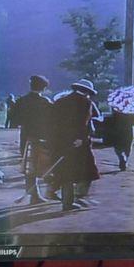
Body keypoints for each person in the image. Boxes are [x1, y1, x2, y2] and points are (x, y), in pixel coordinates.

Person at [45, 80, 101, 212]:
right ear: (87, 92)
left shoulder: (60, 101)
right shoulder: (86, 103)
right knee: (89, 171)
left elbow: (52, 122)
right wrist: (81, 138)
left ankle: (66, 200)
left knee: (66, 172)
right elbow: (84, 123)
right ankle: (76, 198)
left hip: (60, 142)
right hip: (78, 144)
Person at [10, 74, 54, 204]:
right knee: (42, 165)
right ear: (44, 88)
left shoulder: (21, 101)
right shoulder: (45, 102)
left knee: (29, 166)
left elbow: (14, 119)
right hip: (42, 138)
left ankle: (33, 194)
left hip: (26, 137)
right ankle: (38, 194)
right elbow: (53, 120)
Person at [102, 102, 134, 171]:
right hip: (129, 130)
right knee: (128, 146)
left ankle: (122, 157)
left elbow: (112, 120)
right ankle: (125, 160)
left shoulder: (116, 109)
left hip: (118, 129)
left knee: (118, 146)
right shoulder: (132, 110)